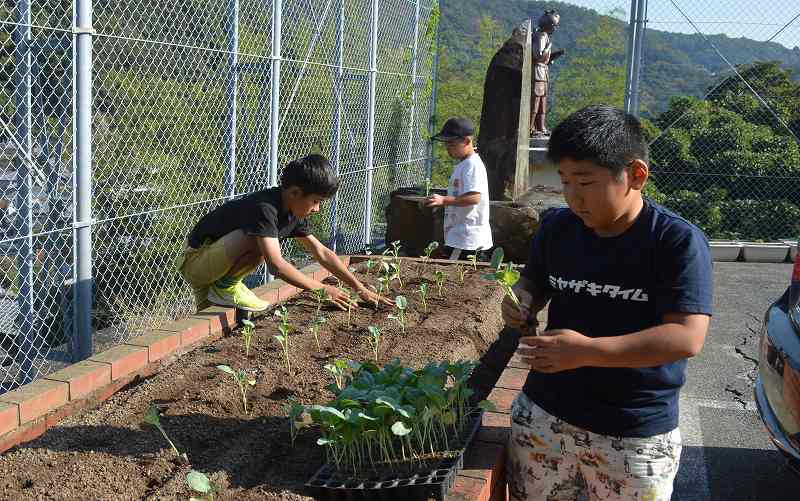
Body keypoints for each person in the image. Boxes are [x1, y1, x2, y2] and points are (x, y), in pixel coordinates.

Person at [501, 105, 713, 500]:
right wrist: (522, 299)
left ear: (635, 175)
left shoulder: (674, 241)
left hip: (632, 434)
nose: (573, 197)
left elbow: (686, 338)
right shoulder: (557, 227)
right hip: (545, 416)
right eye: (564, 181)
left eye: (585, 182)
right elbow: (535, 280)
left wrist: (586, 351)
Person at [177, 154, 389, 312]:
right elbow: (276, 265)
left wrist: (360, 288)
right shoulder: (264, 208)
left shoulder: (292, 212)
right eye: (315, 201)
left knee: (207, 323)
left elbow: (322, 253)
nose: (317, 209)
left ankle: (223, 289)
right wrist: (321, 289)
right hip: (196, 263)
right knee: (260, 240)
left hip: (212, 267)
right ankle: (226, 286)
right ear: (295, 192)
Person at [425, 117, 493, 260]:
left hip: (468, 239)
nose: (447, 147)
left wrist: (444, 200)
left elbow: (474, 197)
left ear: (467, 141)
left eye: (452, 143)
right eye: (446, 143)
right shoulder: (464, 164)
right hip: (461, 236)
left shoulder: (472, 165)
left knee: (455, 276)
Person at [531, 9, 565, 136]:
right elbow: (538, 55)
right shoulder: (541, 35)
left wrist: (554, 55)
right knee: (535, 102)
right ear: (549, 25)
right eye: (555, 25)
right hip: (538, 71)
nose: (555, 28)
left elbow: (544, 58)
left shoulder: (543, 36)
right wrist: (549, 47)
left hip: (543, 71)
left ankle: (540, 127)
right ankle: (531, 127)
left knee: (542, 103)